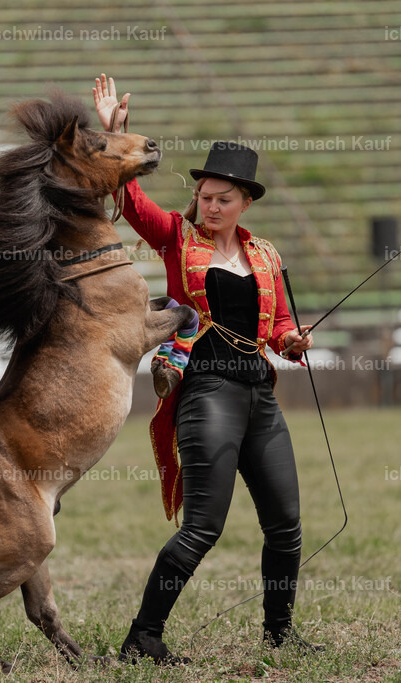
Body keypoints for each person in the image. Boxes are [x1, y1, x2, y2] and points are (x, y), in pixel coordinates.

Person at [92, 74, 318, 665]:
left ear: (245, 201)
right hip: (208, 394)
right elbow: (128, 203)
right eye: (206, 196)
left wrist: (292, 340)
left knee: (287, 526)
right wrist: (113, 133)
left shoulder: (264, 255)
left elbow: (277, 331)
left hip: (259, 398)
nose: (211, 206)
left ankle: (279, 634)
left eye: (224, 198)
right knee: (203, 529)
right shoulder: (177, 237)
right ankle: (143, 638)